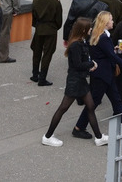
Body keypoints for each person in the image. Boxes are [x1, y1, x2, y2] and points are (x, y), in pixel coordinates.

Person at [41, 17, 109, 148]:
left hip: (80, 80)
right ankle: (48, 136)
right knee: (63, 108)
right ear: (84, 29)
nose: (91, 29)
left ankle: (99, 137)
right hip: (76, 80)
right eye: (89, 28)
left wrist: (89, 65)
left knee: (90, 107)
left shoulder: (79, 42)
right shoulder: (76, 45)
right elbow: (78, 64)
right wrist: (91, 64)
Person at [72, 11, 122, 139]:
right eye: (111, 20)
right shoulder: (103, 38)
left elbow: (103, 53)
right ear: (106, 23)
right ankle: (79, 127)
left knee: (115, 98)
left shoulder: (98, 36)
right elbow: (112, 57)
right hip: (103, 74)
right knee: (94, 103)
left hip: (103, 73)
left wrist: (111, 50)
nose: (113, 22)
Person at [30, 0, 63, 86]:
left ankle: (35, 74)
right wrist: (55, 27)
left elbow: (33, 16)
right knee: (47, 54)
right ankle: (42, 78)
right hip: (51, 29)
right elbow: (59, 20)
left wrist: (37, 24)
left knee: (37, 52)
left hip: (39, 27)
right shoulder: (56, 2)